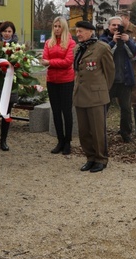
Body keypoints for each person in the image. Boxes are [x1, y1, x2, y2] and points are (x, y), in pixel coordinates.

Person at [72, 21, 114, 173]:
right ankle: (90, 157)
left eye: (81, 31)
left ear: (91, 32)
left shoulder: (102, 48)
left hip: (96, 96)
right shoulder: (77, 49)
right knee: (84, 131)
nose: (78, 34)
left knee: (97, 130)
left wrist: (102, 90)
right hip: (80, 95)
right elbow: (77, 72)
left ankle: (101, 158)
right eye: (77, 31)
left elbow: (110, 73)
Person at [99, 16, 136, 143]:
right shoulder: (103, 39)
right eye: (113, 25)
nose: (116, 27)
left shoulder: (127, 38)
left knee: (126, 109)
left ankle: (125, 133)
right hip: (108, 82)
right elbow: (102, 55)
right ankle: (100, 133)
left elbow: (135, 55)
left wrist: (128, 42)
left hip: (125, 81)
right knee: (103, 109)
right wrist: (113, 42)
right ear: (108, 27)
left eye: (118, 25)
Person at [41, 17, 76, 155]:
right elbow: (44, 59)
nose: (56, 28)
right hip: (52, 81)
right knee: (55, 111)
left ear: (64, 28)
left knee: (66, 112)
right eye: (55, 26)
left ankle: (68, 141)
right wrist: (51, 62)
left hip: (66, 81)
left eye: (59, 26)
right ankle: (60, 140)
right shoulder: (49, 43)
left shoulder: (71, 43)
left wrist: (50, 62)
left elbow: (67, 62)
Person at [0, 21, 18, 151]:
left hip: (10, 82)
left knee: (7, 111)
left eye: (9, 31)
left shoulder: (17, 46)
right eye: (5, 31)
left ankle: (3, 140)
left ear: (13, 33)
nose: (7, 33)